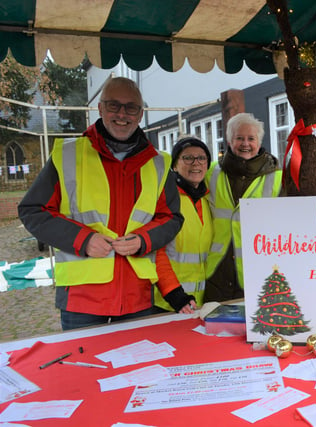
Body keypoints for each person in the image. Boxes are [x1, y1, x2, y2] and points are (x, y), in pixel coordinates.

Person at [18, 76, 189, 330]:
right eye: (113, 105)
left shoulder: (159, 162)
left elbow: (171, 217)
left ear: (140, 114)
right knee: (84, 370)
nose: (122, 114)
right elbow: (32, 210)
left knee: (137, 369)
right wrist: (83, 240)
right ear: (100, 108)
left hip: (136, 297)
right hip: (81, 300)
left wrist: (143, 240)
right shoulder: (68, 154)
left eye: (131, 107)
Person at [204, 113, 281, 302]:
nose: (245, 143)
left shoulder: (278, 176)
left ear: (259, 141)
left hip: (258, 273)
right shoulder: (211, 172)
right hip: (216, 271)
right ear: (230, 141)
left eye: (251, 138)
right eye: (239, 138)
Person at [154, 136, 213, 312]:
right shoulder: (165, 199)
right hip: (167, 304)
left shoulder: (205, 200)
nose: (196, 163)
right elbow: (156, 252)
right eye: (187, 158)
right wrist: (175, 295)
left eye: (202, 158)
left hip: (197, 304)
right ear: (174, 165)